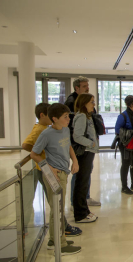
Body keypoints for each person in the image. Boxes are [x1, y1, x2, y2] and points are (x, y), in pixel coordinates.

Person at [22, 103, 82, 238]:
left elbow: (68, 145)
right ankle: (57, 242)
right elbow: (33, 153)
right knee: (56, 207)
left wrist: (75, 161)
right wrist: (48, 166)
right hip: (53, 173)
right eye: (65, 117)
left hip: (63, 172)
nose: (69, 119)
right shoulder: (45, 133)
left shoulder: (65, 130)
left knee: (59, 206)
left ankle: (58, 239)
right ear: (55, 118)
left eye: (68, 116)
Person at [65, 76, 100, 207]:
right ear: (77, 88)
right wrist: (90, 143)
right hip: (81, 147)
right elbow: (75, 132)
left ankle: (84, 198)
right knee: (80, 174)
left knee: (86, 172)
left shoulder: (85, 103)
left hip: (87, 145)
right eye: (84, 86)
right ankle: (77, 202)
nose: (87, 88)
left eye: (88, 86)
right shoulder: (72, 103)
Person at [72, 93, 99, 223]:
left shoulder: (86, 116)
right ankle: (80, 214)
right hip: (85, 153)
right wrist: (91, 143)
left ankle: (85, 210)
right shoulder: (82, 116)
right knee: (81, 183)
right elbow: (77, 136)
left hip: (88, 152)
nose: (94, 104)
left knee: (83, 183)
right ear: (84, 103)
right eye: (92, 102)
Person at [115, 95, 133, 195]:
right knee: (126, 164)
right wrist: (131, 132)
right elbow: (117, 130)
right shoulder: (123, 116)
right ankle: (124, 186)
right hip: (127, 145)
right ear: (129, 104)